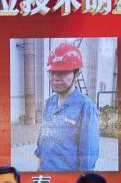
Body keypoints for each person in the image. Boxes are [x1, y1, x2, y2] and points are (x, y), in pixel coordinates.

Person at [35, 42, 100, 172]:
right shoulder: (50, 103)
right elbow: (42, 144)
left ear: (77, 74)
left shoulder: (86, 108)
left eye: (62, 72)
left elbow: (87, 162)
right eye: (52, 72)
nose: (55, 78)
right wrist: (38, 171)